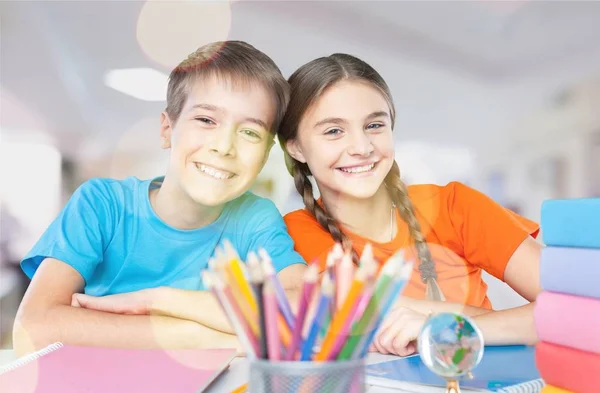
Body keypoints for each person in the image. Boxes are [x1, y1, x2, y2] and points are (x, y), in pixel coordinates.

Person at [13, 41, 307, 356]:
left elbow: (307, 310)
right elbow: (34, 328)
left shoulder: (255, 218)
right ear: (167, 129)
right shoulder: (103, 204)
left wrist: (159, 300)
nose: (224, 147)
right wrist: (191, 336)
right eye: (206, 120)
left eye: (250, 132)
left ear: (264, 155)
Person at [278, 53, 542, 356]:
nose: (362, 148)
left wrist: (438, 324)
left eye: (374, 125)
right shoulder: (287, 241)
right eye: (333, 131)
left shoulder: (454, 206)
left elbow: (584, 309)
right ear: (296, 146)